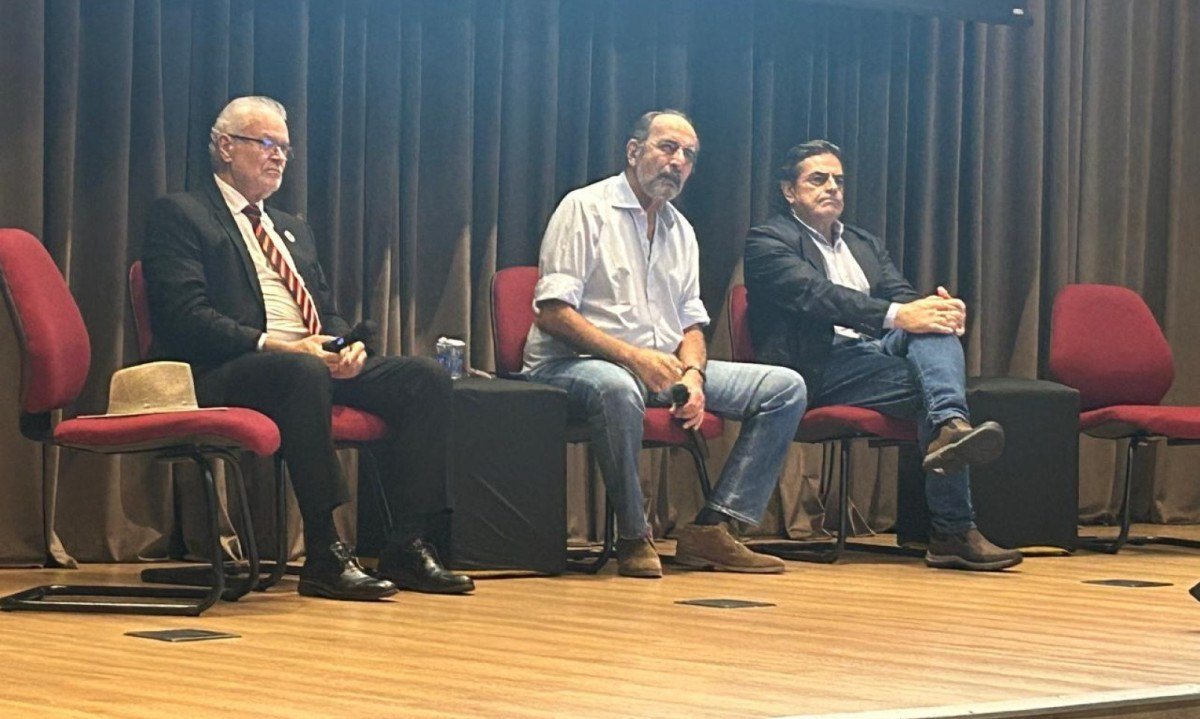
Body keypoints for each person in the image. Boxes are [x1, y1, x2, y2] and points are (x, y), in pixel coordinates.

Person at [142, 96, 474, 599]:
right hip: (226, 367)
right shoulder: (182, 214)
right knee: (304, 373)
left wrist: (344, 346)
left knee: (423, 378)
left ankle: (407, 543)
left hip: (308, 364)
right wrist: (280, 347)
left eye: (285, 149)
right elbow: (184, 317)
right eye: (266, 143)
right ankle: (325, 551)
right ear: (226, 148)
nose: (279, 156)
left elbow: (325, 310)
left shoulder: (292, 227)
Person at [524, 109, 808, 578]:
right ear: (634, 152)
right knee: (617, 387)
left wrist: (694, 375)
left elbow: (692, 325)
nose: (678, 162)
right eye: (668, 147)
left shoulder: (681, 230)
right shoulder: (585, 208)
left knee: (784, 387)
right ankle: (633, 536)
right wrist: (634, 359)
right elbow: (553, 314)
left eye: (689, 156)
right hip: (573, 364)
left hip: (659, 368)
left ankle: (714, 528)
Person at [743, 139, 1022, 571]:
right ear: (789, 191)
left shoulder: (863, 243)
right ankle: (952, 530)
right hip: (816, 365)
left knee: (933, 333)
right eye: (818, 179)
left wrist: (938, 310)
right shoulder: (767, 240)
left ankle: (951, 428)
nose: (832, 187)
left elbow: (902, 297)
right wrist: (903, 315)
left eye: (839, 180)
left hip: (875, 351)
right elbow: (818, 296)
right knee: (935, 388)